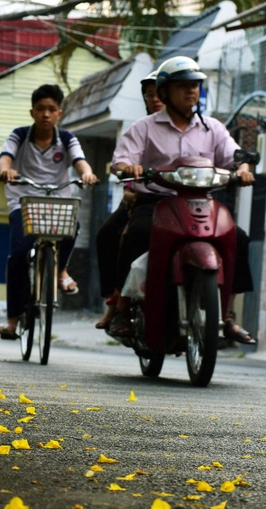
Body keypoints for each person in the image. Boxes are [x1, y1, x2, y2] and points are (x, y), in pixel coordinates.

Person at [109, 56, 256, 343]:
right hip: (156, 202)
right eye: (183, 86)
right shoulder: (144, 127)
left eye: (195, 85)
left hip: (202, 201)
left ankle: (226, 316)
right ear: (164, 92)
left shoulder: (212, 128)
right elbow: (121, 159)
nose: (191, 91)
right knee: (137, 233)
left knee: (239, 238)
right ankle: (123, 310)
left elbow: (234, 155)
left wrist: (243, 168)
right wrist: (129, 167)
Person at [0, 84, 97, 340]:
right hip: (24, 201)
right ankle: (12, 320)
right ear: (32, 112)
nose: (46, 114)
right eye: (40, 109)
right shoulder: (19, 135)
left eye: (51, 109)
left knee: (73, 227)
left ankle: (61, 270)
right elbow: (5, 157)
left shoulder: (67, 139)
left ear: (59, 113)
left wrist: (86, 173)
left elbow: (79, 160)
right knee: (18, 254)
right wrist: (6, 170)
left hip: (56, 203)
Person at [94, 69, 162, 330]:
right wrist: (130, 186)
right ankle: (114, 300)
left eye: (159, 94)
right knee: (108, 234)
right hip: (139, 198)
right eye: (149, 95)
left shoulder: (196, 127)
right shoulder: (141, 129)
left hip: (180, 200)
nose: (154, 99)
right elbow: (124, 164)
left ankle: (222, 316)